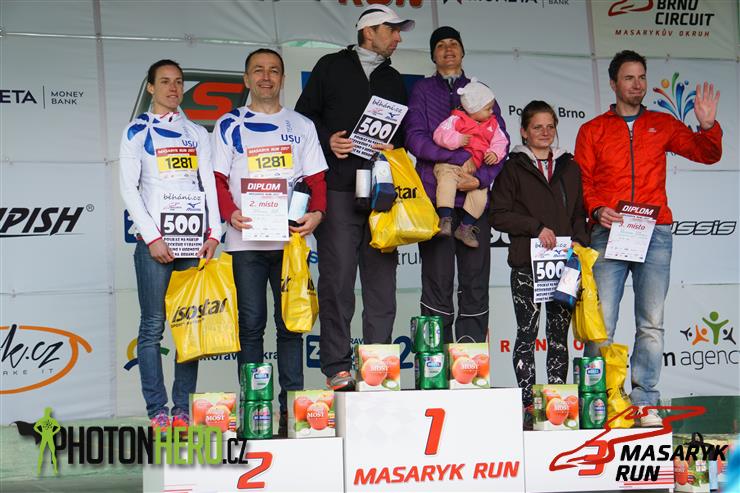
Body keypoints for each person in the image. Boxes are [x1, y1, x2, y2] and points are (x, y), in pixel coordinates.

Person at [575, 50, 722, 427]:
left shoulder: (662, 123)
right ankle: (599, 397)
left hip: (654, 232)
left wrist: (707, 126)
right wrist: (596, 210)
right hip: (608, 231)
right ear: (613, 83)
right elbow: (583, 182)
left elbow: (706, 154)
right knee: (601, 322)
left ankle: (645, 400)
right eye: (629, 78)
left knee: (651, 322)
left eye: (641, 77)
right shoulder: (593, 130)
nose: (637, 84)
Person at [295, 5, 414, 391]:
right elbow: (303, 118)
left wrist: (392, 144)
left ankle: (378, 367)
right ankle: (336, 367)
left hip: (381, 193)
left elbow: (403, 133)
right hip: (338, 189)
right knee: (337, 281)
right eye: (392, 30)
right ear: (369, 31)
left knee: (382, 286)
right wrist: (328, 139)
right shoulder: (330, 66)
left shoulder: (393, 78)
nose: (398, 38)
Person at [212, 49, 328, 436]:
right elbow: (217, 180)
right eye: (258, 71)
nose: (266, 77)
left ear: (282, 79)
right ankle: (255, 412)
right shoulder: (228, 123)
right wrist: (229, 213)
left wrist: (318, 213)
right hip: (244, 243)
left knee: (291, 326)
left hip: (289, 244)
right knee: (250, 326)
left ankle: (291, 412)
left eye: (274, 71)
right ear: (246, 79)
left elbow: (316, 180)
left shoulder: (301, 124)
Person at [119, 59, 221, 430]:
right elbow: (128, 188)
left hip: (192, 241)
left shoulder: (197, 132)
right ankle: (157, 411)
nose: (173, 88)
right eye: (164, 81)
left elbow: (208, 183)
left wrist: (214, 232)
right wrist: (152, 237)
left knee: (188, 326)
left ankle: (182, 410)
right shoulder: (136, 130)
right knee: (152, 327)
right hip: (155, 245)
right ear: (151, 88)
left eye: (178, 81)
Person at [404, 26, 509, 343]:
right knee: (436, 280)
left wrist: (480, 178)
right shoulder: (422, 90)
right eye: (440, 45)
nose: (448, 49)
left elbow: (500, 144)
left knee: (475, 282)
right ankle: (436, 358)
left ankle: (470, 359)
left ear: (462, 51)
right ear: (433, 55)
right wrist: (458, 157)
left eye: (453, 44)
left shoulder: (481, 91)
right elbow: (414, 138)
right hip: (437, 201)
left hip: (474, 199)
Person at [490, 100, 588, 428]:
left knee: (558, 336)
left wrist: (579, 242)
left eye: (550, 126)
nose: (545, 132)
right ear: (524, 131)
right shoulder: (512, 168)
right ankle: (528, 406)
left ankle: (558, 407)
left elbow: (579, 213)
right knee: (527, 334)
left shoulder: (570, 167)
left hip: (564, 265)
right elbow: (498, 214)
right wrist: (535, 227)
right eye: (537, 127)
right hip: (526, 265)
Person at [433, 79, 508, 247]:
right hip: (451, 165)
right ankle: (444, 219)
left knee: (480, 194)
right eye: (487, 108)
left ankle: (465, 227)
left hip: (476, 169)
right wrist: (458, 139)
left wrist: (495, 153)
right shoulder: (456, 119)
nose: (491, 112)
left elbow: (501, 141)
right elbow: (439, 135)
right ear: (473, 109)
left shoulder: (493, 124)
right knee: (446, 182)